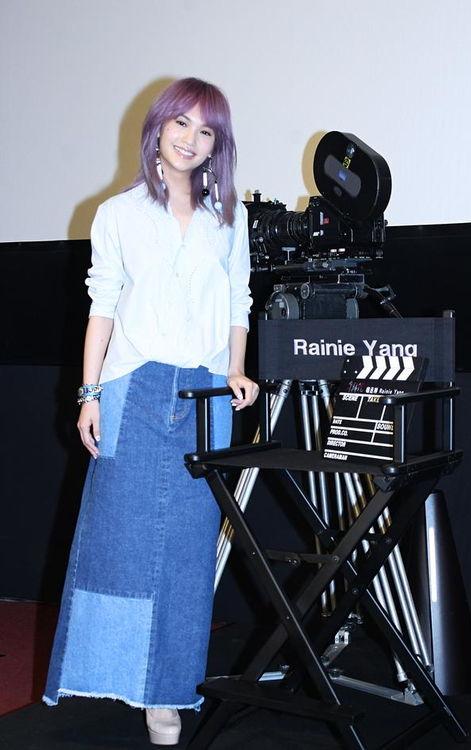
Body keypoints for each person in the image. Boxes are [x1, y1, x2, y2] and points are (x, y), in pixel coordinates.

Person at [43, 77, 259, 746]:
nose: (192, 140)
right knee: (116, 541)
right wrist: (88, 394)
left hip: (206, 395)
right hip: (130, 390)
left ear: (217, 145)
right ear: (158, 127)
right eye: (182, 124)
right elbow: (102, 306)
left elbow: (239, 302)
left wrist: (235, 369)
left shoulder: (229, 218)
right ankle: (108, 672)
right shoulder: (117, 214)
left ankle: (165, 695)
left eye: (207, 131)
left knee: (189, 553)